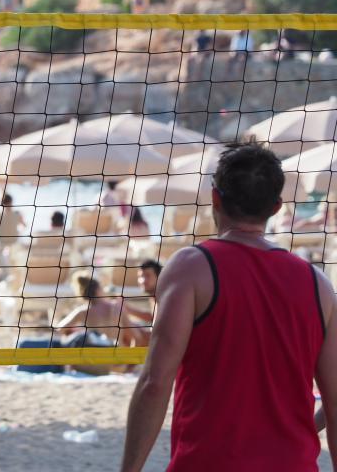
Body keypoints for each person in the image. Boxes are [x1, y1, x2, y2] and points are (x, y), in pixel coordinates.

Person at [120, 143, 337, 472]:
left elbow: (155, 382)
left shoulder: (190, 267)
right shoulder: (318, 284)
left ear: (215, 198)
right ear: (277, 207)